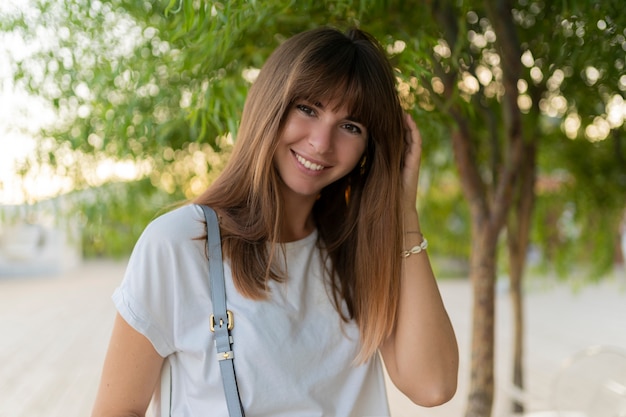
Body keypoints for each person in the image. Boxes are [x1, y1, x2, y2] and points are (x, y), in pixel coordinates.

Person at [91, 27, 458, 417]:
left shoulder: (357, 251)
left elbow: (433, 385)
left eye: (351, 127)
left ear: (370, 149)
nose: (321, 142)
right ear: (270, 105)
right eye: (308, 108)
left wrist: (403, 211)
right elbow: (117, 409)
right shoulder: (180, 244)